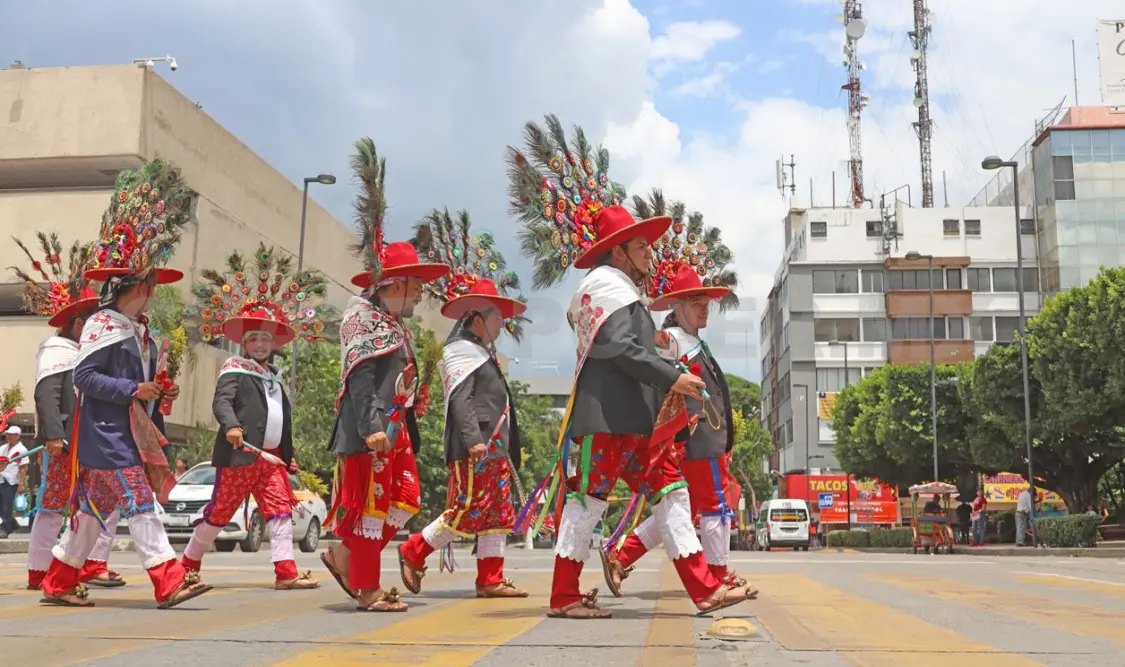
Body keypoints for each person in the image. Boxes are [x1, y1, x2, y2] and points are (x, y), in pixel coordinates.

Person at [39, 159, 212, 609]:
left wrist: (157, 389)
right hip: (106, 434)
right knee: (140, 503)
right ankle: (168, 579)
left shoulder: (136, 328)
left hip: (121, 434)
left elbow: (133, 381)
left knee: (90, 516)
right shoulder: (103, 322)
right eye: (152, 282)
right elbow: (85, 377)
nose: (155, 289)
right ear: (141, 285)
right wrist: (133, 390)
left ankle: (57, 582)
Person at [601, 225, 754, 597]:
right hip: (693, 442)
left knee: (684, 511)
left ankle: (620, 554)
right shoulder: (670, 340)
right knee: (715, 508)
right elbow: (645, 354)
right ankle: (717, 577)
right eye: (696, 302)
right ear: (677, 306)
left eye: (706, 302)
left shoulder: (695, 343)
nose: (705, 309)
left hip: (702, 442)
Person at [179, 244, 330, 590]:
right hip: (239, 456)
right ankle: (188, 563)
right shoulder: (234, 369)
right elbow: (222, 402)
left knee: (279, 512)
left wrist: (286, 457)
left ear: (273, 342)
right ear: (245, 344)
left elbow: (280, 420)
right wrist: (231, 425)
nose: (260, 344)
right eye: (254, 339)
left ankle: (286, 574)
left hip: (270, 461)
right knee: (219, 514)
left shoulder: (275, 378)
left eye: (265, 338)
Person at [321, 240, 449, 612]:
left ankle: (345, 556)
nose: (419, 296)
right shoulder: (363, 320)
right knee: (371, 508)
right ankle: (367, 587)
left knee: (406, 501)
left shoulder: (392, 324)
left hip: (395, 428)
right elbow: (359, 379)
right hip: (373, 429)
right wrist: (370, 427)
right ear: (397, 284)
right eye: (416, 287)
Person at [399, 250, 529, 598]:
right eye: (498, 318)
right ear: (478, 319)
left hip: (495, 448)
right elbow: (460, 400)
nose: (503, 325)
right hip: (478, 448)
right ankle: (414, 550)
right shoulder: (459, 351)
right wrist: (473, 439)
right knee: (468, 509)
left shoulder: (483, 353)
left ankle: (490, 579)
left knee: (498, 515)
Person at [10, 236, 125, 587]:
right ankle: (39, 572)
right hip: (65, 444)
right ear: (76, 323)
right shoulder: (56, 350)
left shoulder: (90, 354)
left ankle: (91, 564)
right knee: (52, 506)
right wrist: (55, 436)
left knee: (106, 503)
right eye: (89, 322)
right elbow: (48, 394)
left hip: (94, 443)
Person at [0, 425, 29, 538]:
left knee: (7, 506)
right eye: (8, 434)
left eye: (11, 434)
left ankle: (6, 528)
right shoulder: (2, 448)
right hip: (1, 478)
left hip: (11, 480)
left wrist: (21, 484)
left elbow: (23, 467)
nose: (9, 436)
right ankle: (13, 523)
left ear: (17, 436)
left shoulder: (22, 450)